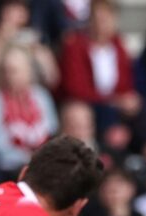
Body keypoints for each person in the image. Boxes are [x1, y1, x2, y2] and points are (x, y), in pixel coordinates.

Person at [59, 0, 140, 132]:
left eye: (106, 19)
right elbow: (75, 88)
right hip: (88, 105)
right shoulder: (75, 46)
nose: (101, 24)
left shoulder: (118, 46)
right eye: (97, 19)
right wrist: (113, 100)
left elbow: (126, 83)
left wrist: (126, 99)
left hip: (113, 108)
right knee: (79, 113)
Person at [0, 45, 58, 176]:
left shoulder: (41, 95)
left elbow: (52, 130)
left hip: (42, 163)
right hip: (9, 167)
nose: (9, 76)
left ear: (28, 71)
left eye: (14, 71)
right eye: (5, 71)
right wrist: (28, 158)